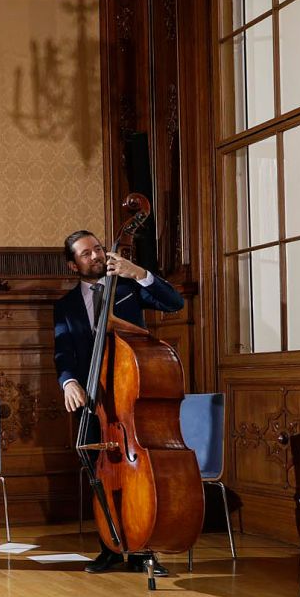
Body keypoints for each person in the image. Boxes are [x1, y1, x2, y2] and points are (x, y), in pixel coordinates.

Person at [52, 228, 185, 573]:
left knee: (139, 471)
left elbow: (175, 303)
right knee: (103, 470)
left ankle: (145, 547)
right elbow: (63, 351)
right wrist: (68, 382)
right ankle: (110, 545)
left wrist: (138, 273)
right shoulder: (65, 306)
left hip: (131, 395)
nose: (95, 256)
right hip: (96, 399)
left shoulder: (128, 289)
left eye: (97, 249)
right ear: (72, 264)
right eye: (85, 253)